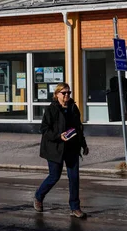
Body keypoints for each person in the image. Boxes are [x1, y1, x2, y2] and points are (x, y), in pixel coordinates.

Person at [34, 82, 89, 218]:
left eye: (68, 93)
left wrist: (83, 145)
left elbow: (78, 128)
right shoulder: (51, 110)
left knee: (74, 177)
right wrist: (59, 136)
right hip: (55, 148)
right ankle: (38, 196)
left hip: (71, 147)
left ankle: (75, 207)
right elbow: (44, 129)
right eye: (64, 93)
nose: (66, 95)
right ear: (56, 95)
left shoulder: (73, 108)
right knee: (54, 176)